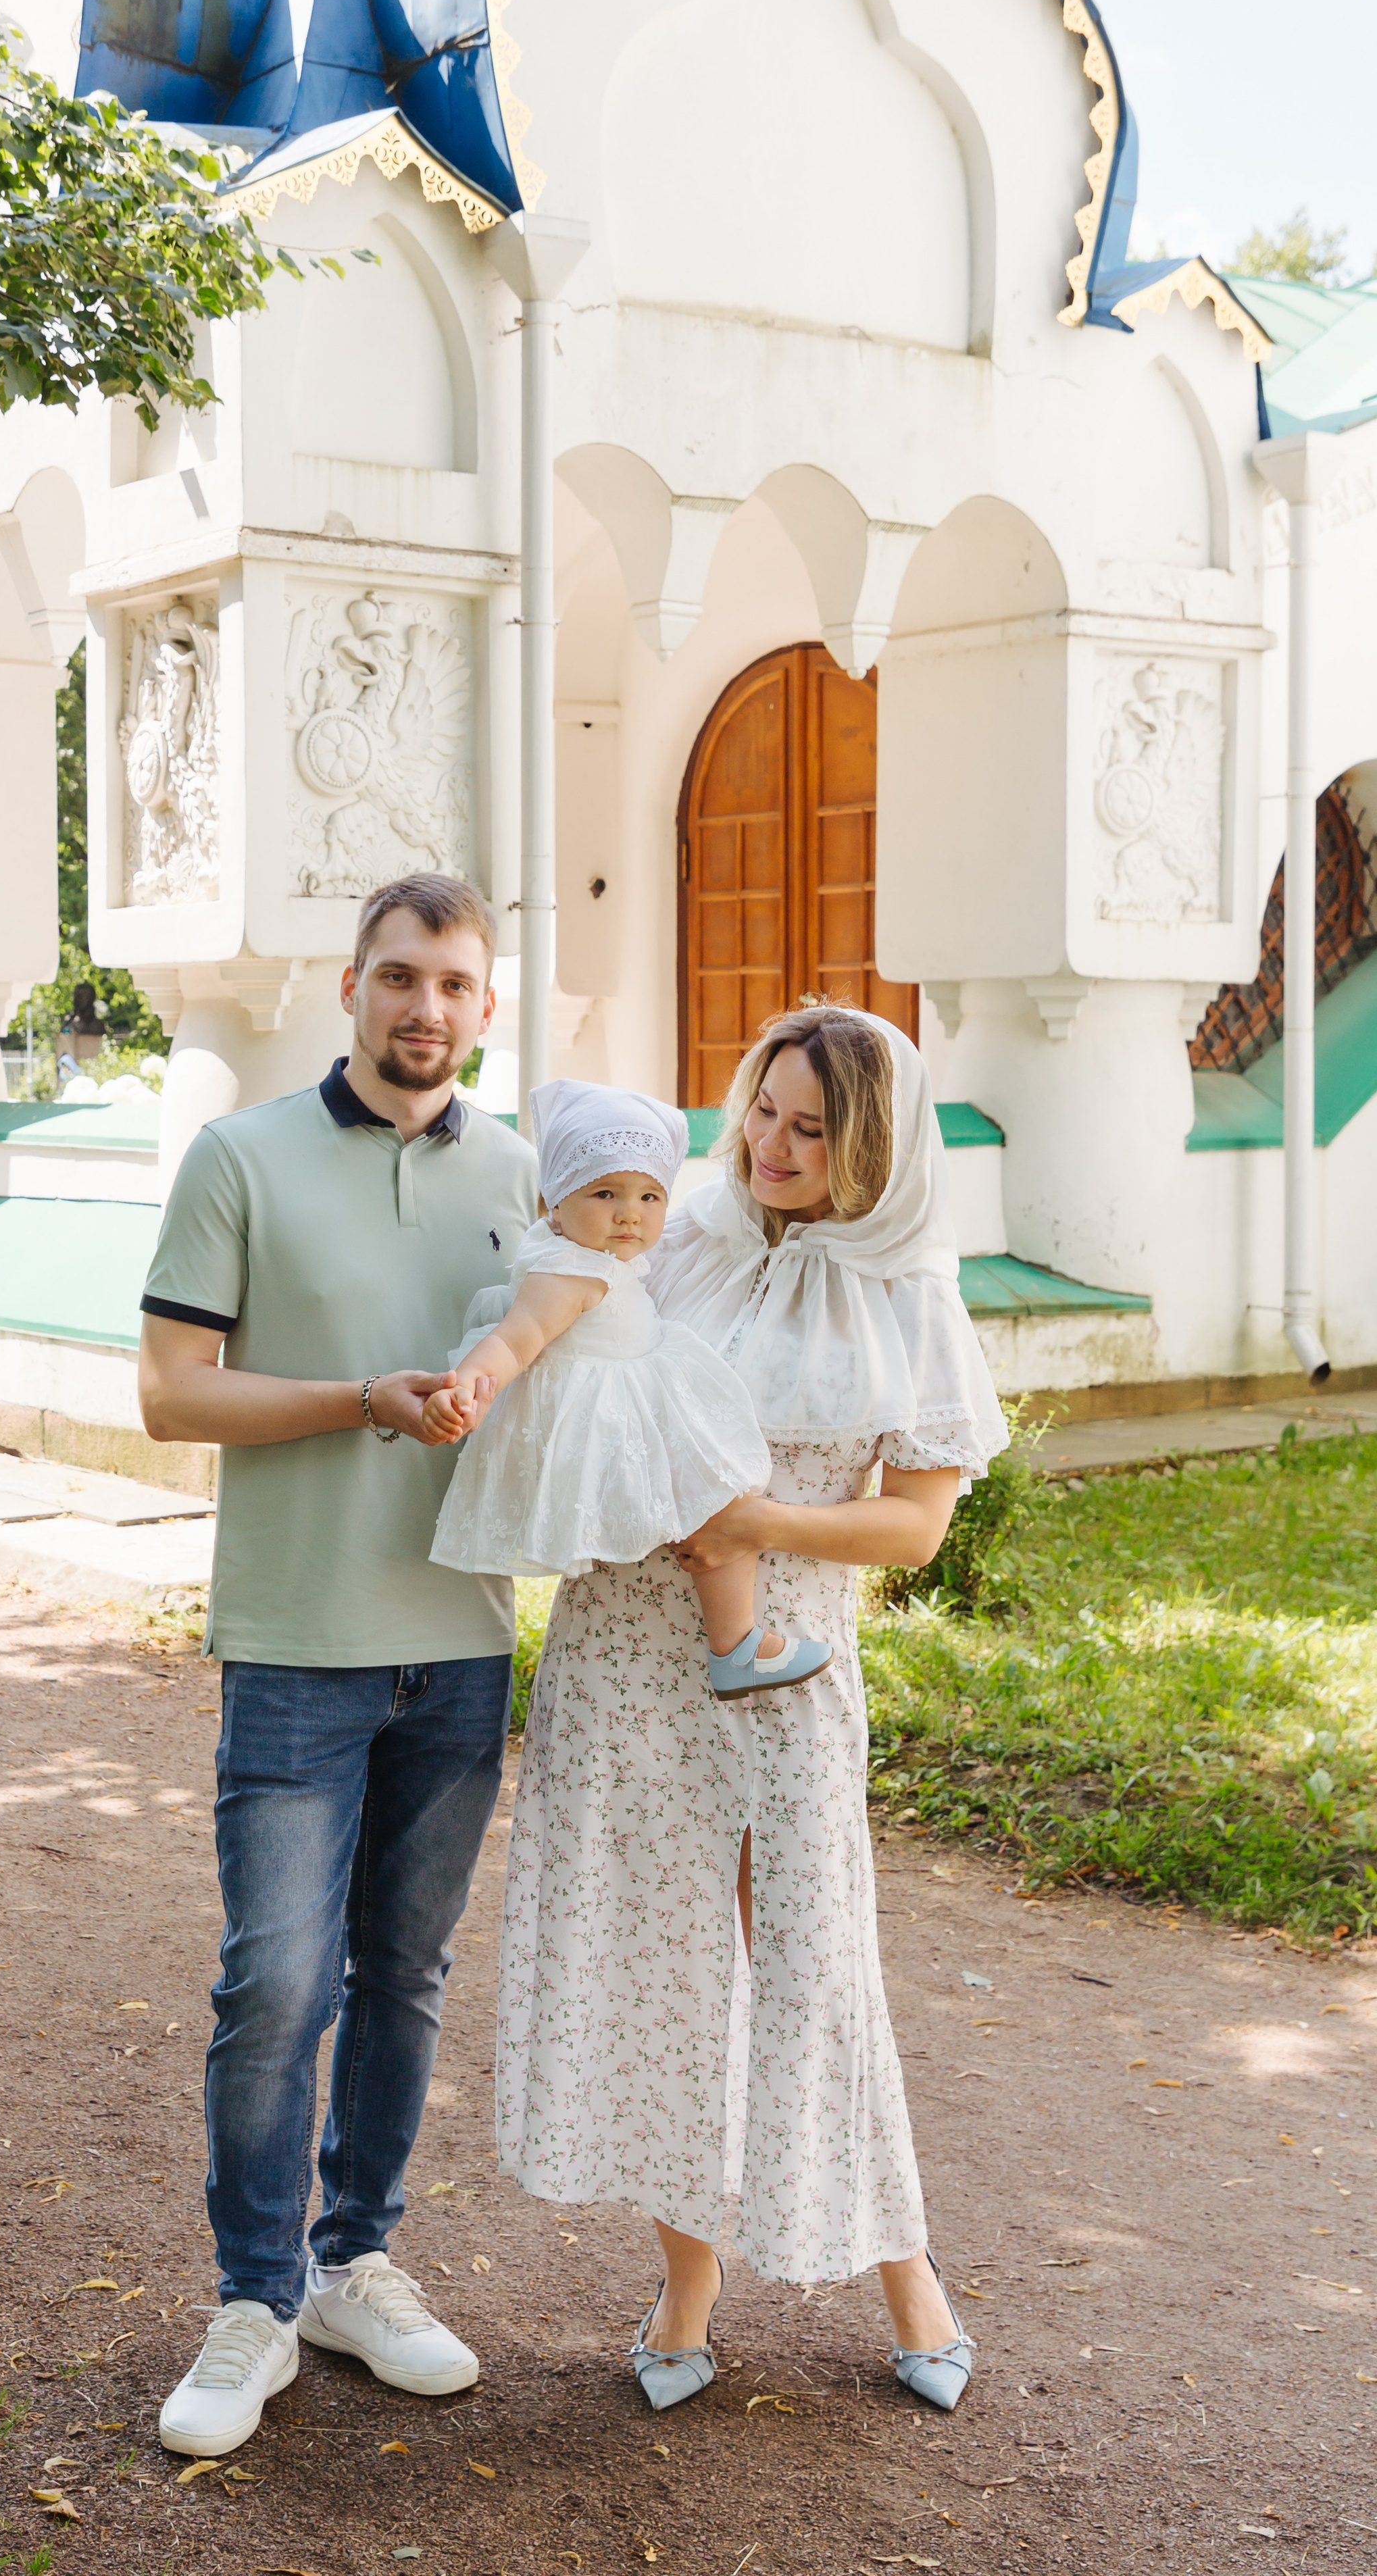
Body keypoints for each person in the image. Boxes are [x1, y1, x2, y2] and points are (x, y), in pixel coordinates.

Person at [497, 1002, 1007, 2415]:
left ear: (869, 1146)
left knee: (810, 1959)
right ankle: (683, 2285)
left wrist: (755, 1519)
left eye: (808, 1127)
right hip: (624, 1652)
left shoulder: (907, 1291)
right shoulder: (675, 1224)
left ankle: (905, 2274)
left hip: (786, 1662)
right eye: (760, 1112)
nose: (770, 1147)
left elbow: (913, 1530)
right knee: (662, 1967)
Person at [136, 872, 539, 2459]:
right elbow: (173, 1392)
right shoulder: (238, 1156)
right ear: (349, 988)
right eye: (394, 976)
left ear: (484, 1005)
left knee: (406, 1975)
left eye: (450, 980)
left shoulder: (523, 1175)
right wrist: (357, 1400)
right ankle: (249, 2295)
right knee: (276, 1979)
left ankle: (349, 2261)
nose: (420, 1006)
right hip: (298, 1643)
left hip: (460, 1644)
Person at [426, 1078, 832, 1698]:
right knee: (721, 1491)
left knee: (720, 1499)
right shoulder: (572, 1269)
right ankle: (737, 1644)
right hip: (614, 1410)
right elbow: (517, 1337)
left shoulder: (590, 1252)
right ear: (554, 1204)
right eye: (605, 1193)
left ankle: (736, 1642)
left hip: (631, 1390)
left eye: (650, 1195)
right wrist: (469, 1387)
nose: (630, 1213)